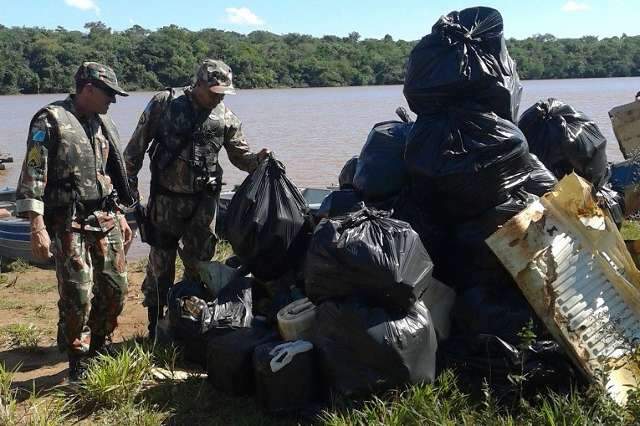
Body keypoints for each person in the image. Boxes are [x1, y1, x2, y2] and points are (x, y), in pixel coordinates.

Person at [124, 59, 269, 338]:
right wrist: (129, 189)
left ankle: (189, 319)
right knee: (160, 263)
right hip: (166, 200)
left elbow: (241, 156)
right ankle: (155, 324)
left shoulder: (225, 117)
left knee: (200, 262)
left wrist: (259, 161)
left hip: (204, 203)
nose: (219, 96)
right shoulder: (165, 104)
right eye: (214, 91)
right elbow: (135, 148)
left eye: (223, 92)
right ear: (198, 83)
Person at [15, 62, 134, 381]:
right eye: (108, 93)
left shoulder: (102, 123)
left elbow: (105, 174)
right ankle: (78, 358)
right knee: (77, 293)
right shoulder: (49, 119)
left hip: (105, 215)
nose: (113, 99)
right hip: (69, 220)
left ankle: (98, 343)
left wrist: (121, 214)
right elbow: (34, 172)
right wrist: (36, 226)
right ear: (88, 89)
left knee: (116, 287)